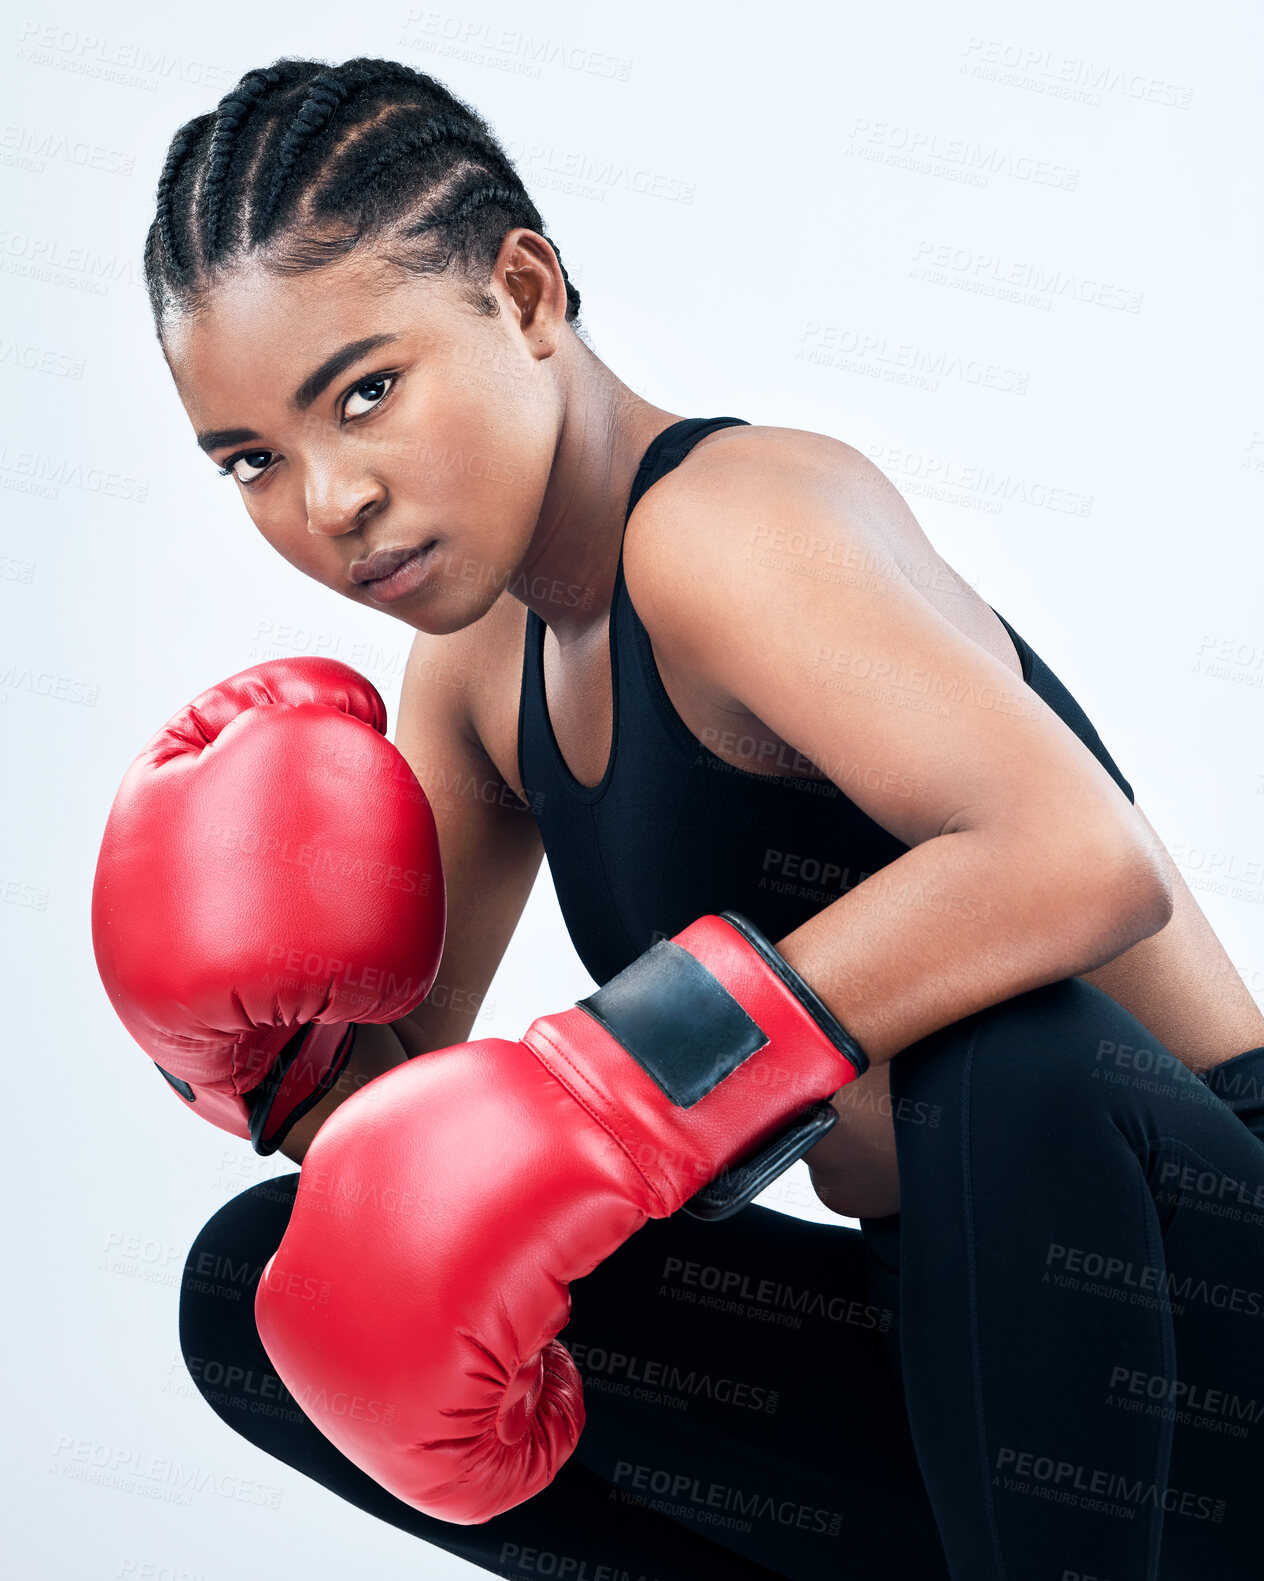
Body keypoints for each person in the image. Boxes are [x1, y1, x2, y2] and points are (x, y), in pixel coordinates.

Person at [122, 54, 1264, 1580]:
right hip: (992, 1388)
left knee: (997, 1053)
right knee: (269, 1293)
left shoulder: (733, 527)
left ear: (526, 296)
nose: (328, 501)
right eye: (253, 460)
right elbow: (406, 1160)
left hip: (1205, 1331)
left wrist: (621, 1080)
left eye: (368, 392)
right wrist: (271, 1059)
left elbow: (1081, 858)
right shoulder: (476, 665)